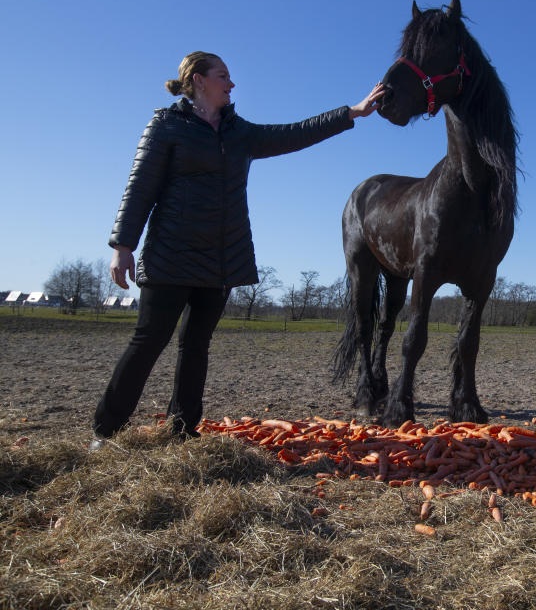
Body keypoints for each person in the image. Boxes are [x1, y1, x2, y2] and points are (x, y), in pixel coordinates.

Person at [92, 51, 384, 447]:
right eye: (223, 76)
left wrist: (351, 112)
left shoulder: (238, 132)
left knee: (196, 346)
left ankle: (183, 432)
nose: (231, 84)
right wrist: (123, 246)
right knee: (148, 342)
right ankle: (105, 432)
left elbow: (293, 133)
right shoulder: (167, 125)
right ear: (198, 80)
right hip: (170, 256)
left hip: (220, 261)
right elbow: (139, 187)